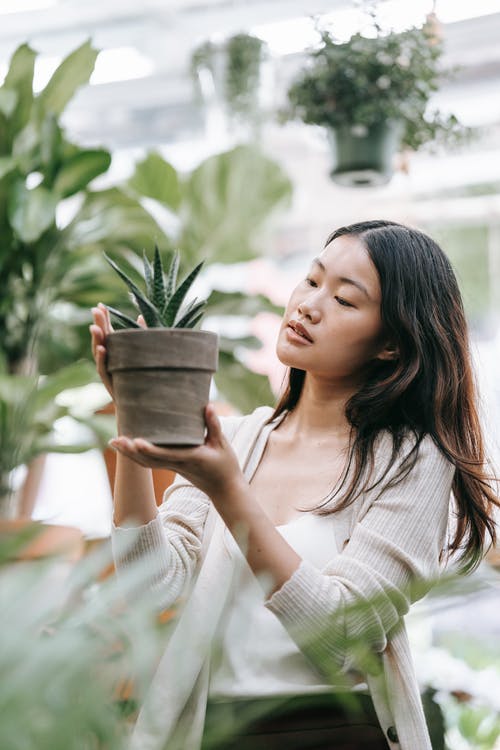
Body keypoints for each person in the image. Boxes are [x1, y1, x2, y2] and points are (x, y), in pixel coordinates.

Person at [90, 220, 498, 750]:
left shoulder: (412, 461)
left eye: (346, 301)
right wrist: (132, 413)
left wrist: (229, 492)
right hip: (214, 732)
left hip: (331, 733)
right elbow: (153, 586)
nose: (309, 305)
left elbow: (343, 637)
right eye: (311, 280)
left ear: (392, 345)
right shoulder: (233, 440)